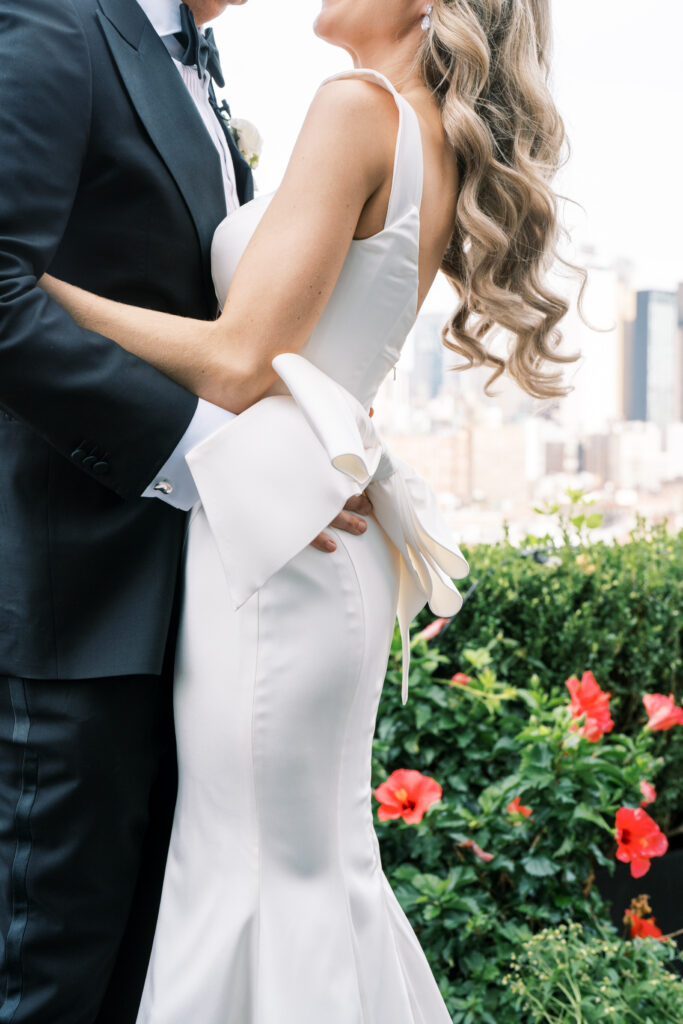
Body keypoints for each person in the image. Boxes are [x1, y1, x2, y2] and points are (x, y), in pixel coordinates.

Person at [40, 0, 580, 1020]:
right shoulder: (422, 131)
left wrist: (38, 289)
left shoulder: (356, 107)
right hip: (311, 531)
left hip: (278, 553)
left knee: (251, 872)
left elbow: (242, 362)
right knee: (306, 871)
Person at [0, 1, 371, 1021]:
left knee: (140, 972)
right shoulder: (62, 21)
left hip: (198, 607)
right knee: (50, 977)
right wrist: (209, 456)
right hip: (71, 599)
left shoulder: (196, 62)